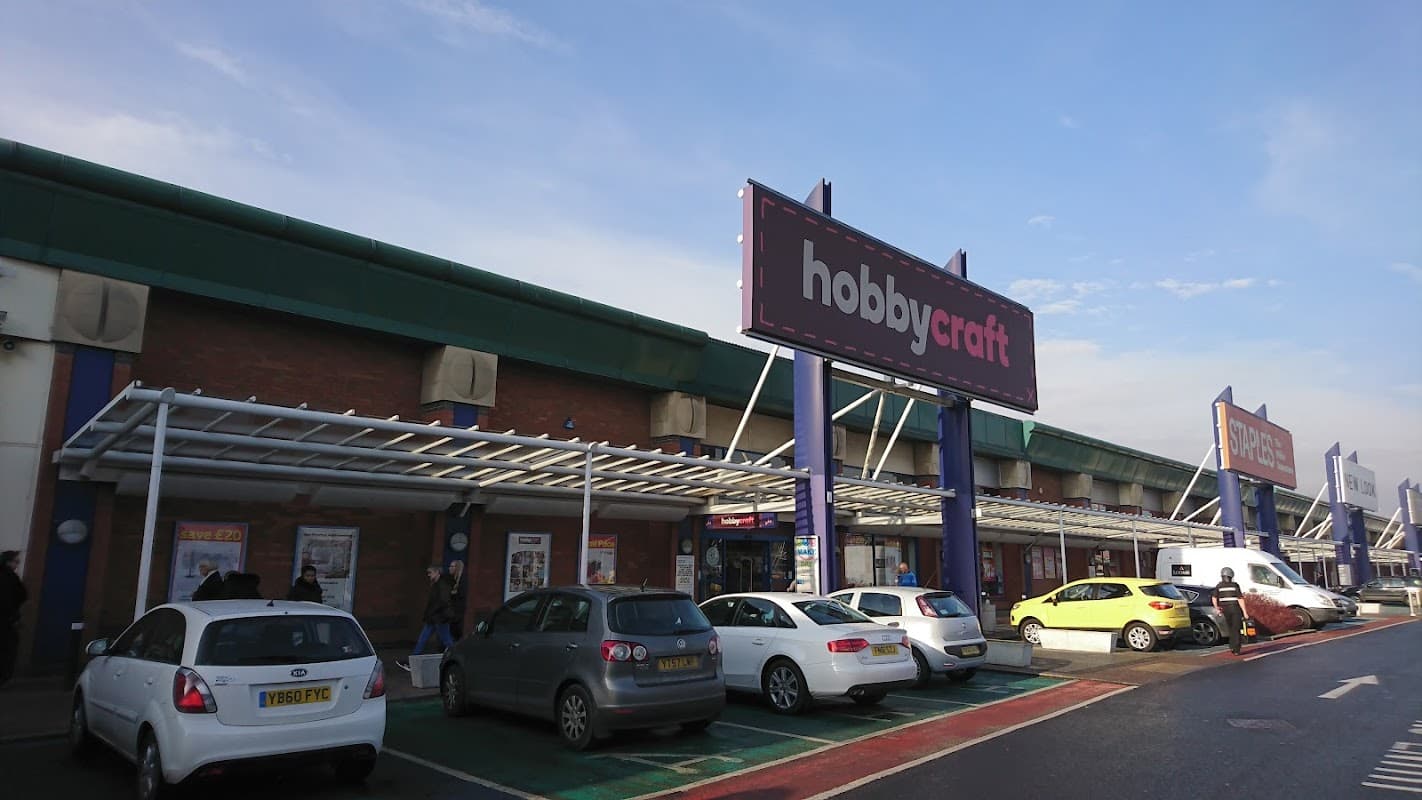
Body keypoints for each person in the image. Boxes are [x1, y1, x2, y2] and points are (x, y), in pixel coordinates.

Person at [396, 566, 454, 672]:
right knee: (423, 639)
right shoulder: (437, 585)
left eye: (430, 573)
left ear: (437, 573)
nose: (429, 575)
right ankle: (413, 661)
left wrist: (432, 612)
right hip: (434, 618)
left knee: (446, 640)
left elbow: (443, 602)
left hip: (440, 618)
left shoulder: (442, 585)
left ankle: (456, 657)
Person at [1, 551, 27, 689]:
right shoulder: (10, 578)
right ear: (8, 562)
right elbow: (19, 596)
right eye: (16, 562)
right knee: (7, 649)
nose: (17, 565)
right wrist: (13, 617)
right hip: (6, 622)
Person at [1212, 566, 1252, 656]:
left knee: (1230, 628)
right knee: (1236, 628)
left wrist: (1217, 607)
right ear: (1231, 576)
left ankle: (1232, 646)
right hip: (1235, 609)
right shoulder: (1235, 585)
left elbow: (1214, 597)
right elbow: (1240, 599)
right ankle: (1236, 648)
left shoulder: (1219, 586)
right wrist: (1245, 612)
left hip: (1225, 610)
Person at [447, 560, 466, 639]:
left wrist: (452, 593)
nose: (449, 568)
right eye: (450, 566)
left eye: (452, 566)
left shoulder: (462, 580)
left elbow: (461, 594)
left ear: (457, 568)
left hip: (457, 611)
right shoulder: (450, 579)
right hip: (450, 610)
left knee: (456, 631)